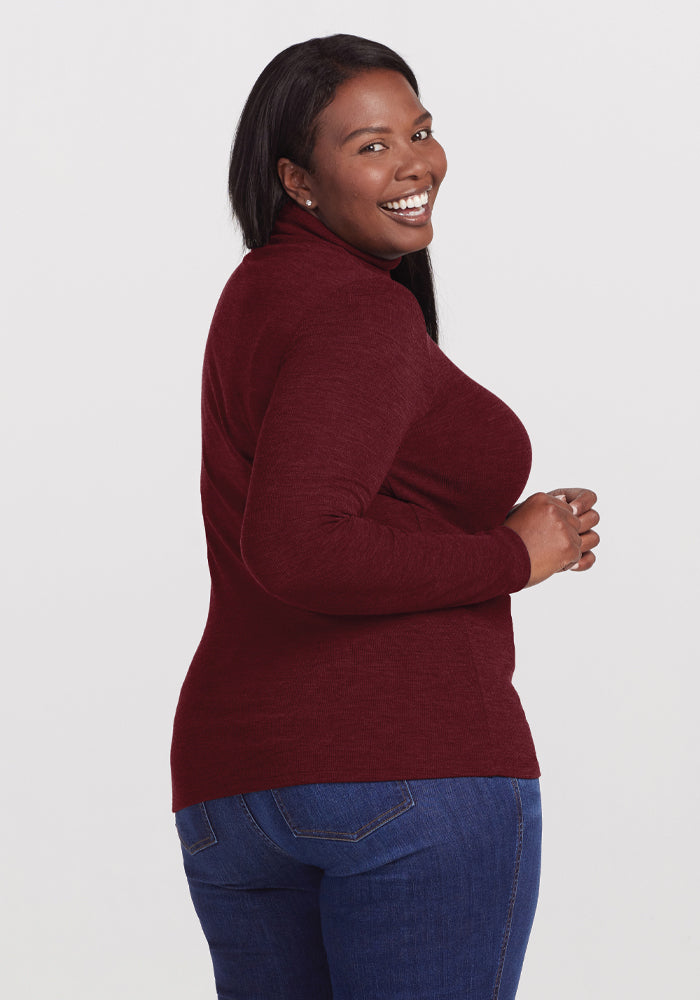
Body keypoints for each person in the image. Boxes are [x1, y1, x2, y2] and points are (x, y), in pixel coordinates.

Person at [170, 33, 600, 1000]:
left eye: (421, 130)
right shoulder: (357, 313)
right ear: (298, 180)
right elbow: (297, 543)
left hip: (234, 787)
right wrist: (510, 556)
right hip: (408, 768)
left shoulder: (256, 298)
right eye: (370, 146)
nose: (415, 164)